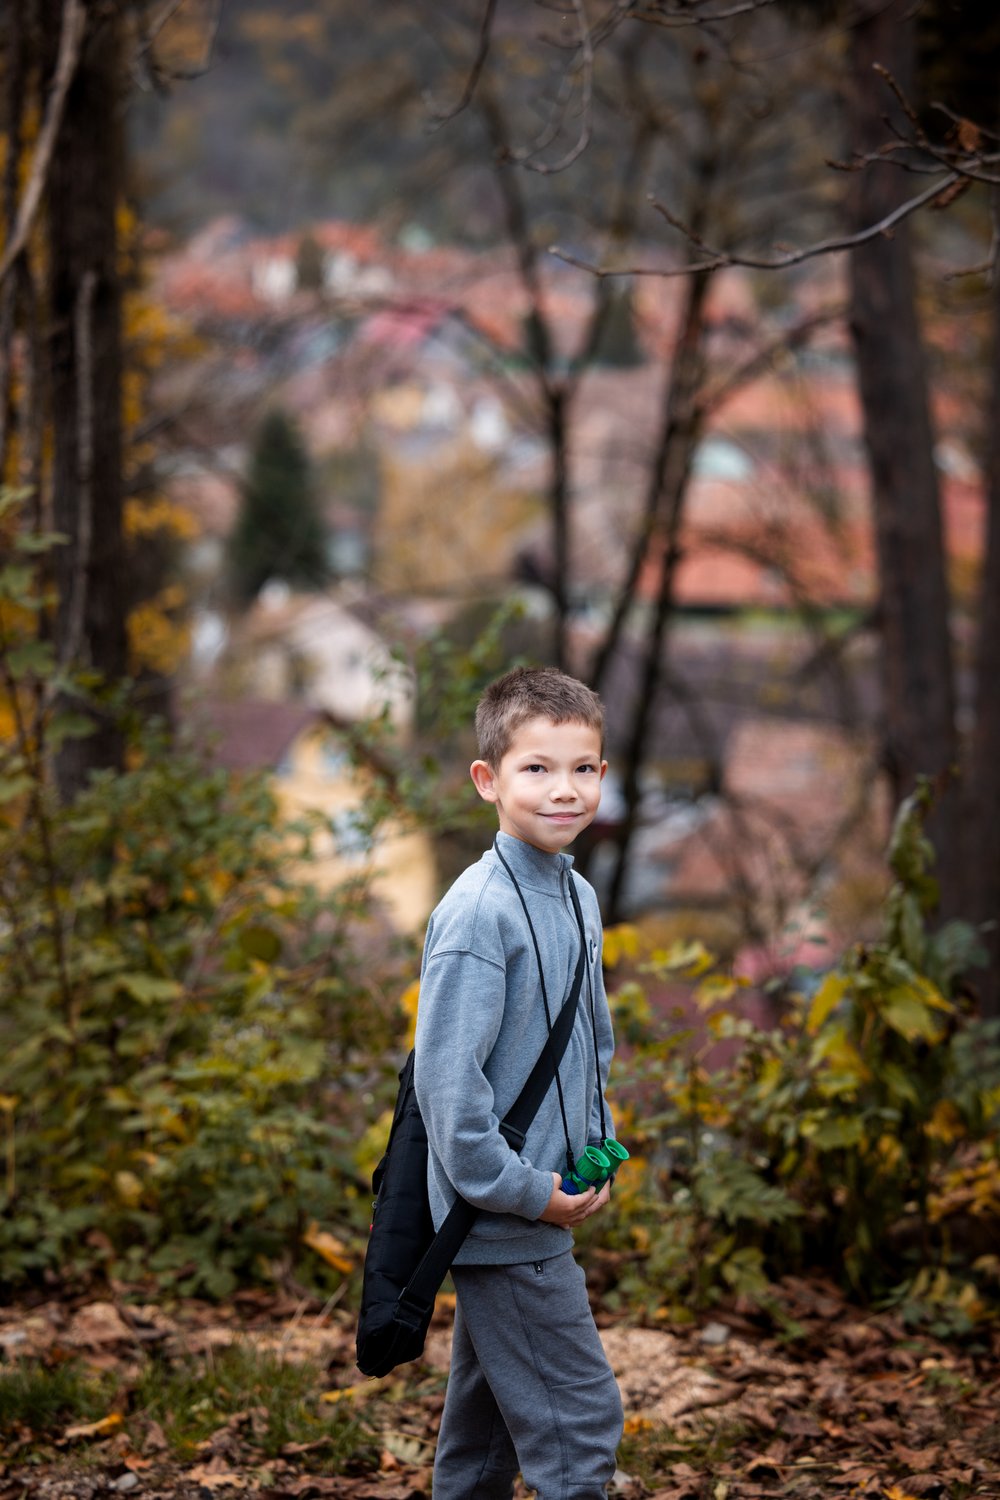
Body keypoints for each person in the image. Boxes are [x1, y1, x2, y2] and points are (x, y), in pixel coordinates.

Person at [414, 665, 624, 1500]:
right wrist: (528, 1192)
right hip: (504, 1214)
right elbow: (448, 1092)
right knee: (578, 1419)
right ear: (488, 781)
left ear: (603, 777)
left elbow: (592, 1043)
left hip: (542, 1198)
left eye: (581, 768)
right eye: (536, 768)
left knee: (486, 1431)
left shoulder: (576, 895)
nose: (562, 790)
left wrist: (588, 1153)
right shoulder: (479, 914)